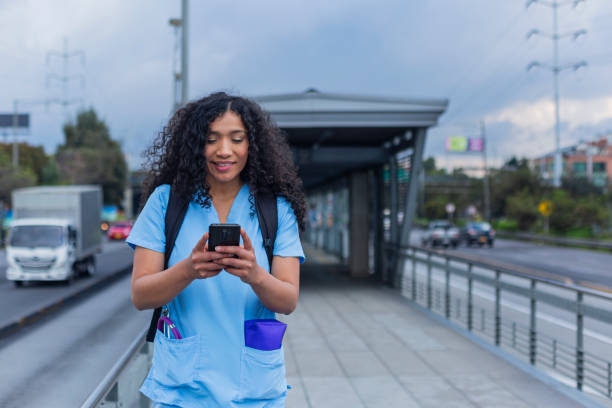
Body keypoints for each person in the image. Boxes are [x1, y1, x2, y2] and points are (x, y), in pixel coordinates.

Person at [126, 92, 306, 408]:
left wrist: (255, 276)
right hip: (181, 393)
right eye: (212, 139)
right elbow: (141, 295)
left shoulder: (276, 209)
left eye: (237, 139)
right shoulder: (165, 203)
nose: (225, 151)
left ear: (252, 145)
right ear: (196, 144)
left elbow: (288, 300)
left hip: (254, 393)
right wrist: (188, 269)